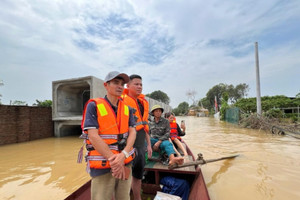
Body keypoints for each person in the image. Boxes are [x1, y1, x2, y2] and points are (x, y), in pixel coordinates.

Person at [80, 71, 136, 200]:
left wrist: (124, 155)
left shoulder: (127, 109)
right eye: (116, 82)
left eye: (122, 84)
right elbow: (93, 136)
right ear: (106, 85)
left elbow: (133, 132)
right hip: (104, 164)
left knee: (124, 197)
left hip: (125, 161)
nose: (120, 86)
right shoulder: (94, 105)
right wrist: (115, 161)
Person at [121, 74, 152, 200]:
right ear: (128, 86)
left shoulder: (143, 102)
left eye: (141, 84)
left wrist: (149, 145)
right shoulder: (121, 100)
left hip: (140, 144)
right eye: (136, 84)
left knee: (138, 175)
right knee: (124, 176)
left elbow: (144, 126)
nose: (139, 87)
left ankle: (137, 198)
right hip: (126, 145)